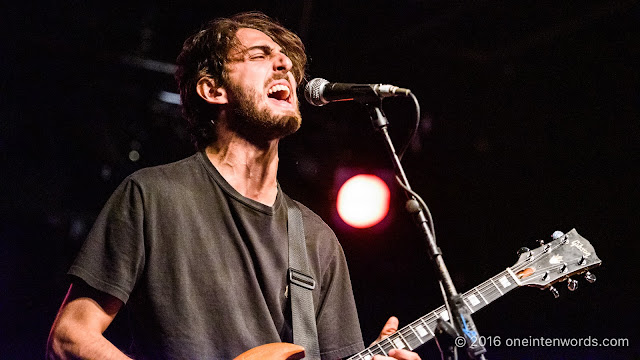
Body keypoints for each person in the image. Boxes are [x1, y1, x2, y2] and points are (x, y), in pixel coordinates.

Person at [46, 12, 421, 360]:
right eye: (260, 55)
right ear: (212, 90)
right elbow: (70, 337)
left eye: (286, 59)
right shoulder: (153, 196)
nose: (285, 65)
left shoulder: (316, 241)